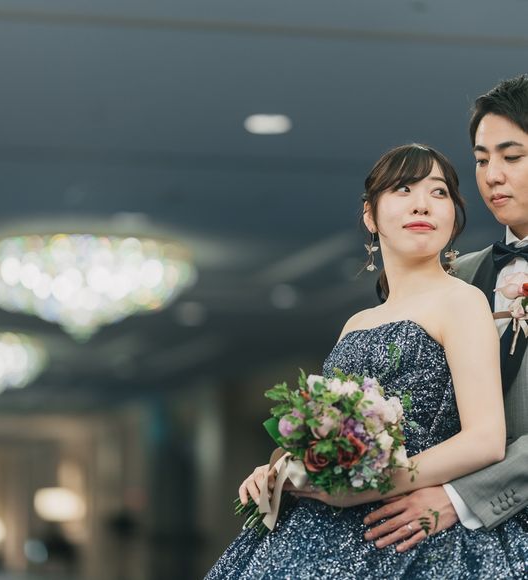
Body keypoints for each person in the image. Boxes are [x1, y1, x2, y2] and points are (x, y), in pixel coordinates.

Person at [205, 143, 527, 579]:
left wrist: (366, 487)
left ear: (453, 216)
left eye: (438, 192)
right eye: (402, 189)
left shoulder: (462, 301)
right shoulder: (357, 322)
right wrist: (285, 466)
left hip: (409, 530)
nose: (422, 204)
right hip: (319, 524)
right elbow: (332, 431)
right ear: (370, 215)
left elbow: (485, 440)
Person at [363, 75, 528, 554]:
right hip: (444, 541)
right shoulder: (459, 274)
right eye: (482, 159)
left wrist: (461, 495)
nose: (492, 175)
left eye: (512, 157)